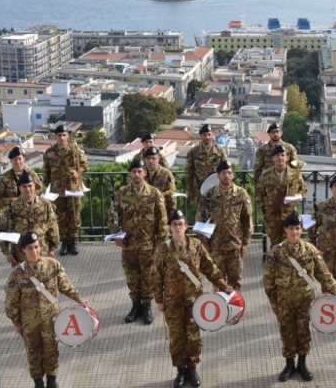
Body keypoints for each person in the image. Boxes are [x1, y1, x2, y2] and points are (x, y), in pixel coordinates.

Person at [152, 210, 233, 388]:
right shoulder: (163, 249)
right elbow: (156, 276)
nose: (178, 227)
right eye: (174, 225)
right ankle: (181, 371)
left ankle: (192, 368)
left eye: (181, 224)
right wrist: (159, 299)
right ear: (170, 227)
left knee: (193, 336)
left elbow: (209, 268)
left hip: (194, 301)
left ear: (186, 226)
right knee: (177, 337)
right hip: (173, 302)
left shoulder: (196, 245)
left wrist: (222, 285)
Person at [5, 231, 89, 388]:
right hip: (30, 323)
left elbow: (65, 286)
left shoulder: (53, 265)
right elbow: (11, 303)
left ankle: (52, 381)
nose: (34, 251)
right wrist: (17, 323)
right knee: (34, 353)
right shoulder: (17, 274)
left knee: (52, 351)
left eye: (36, 247)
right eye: (29, 248)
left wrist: (79, 299)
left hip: (52, 319)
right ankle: (38, 383)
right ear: (23, 250)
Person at [263, 211, 336, 382]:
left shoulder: (310, 250)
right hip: (284, 301)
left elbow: (324, 275)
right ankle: (289, 365)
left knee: (304, 332)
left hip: (305, 301)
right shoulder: (276, 253)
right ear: (285, 229)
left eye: (298, 229)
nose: (295, 232)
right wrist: (273, 302)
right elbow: (268, 281)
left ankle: (302, 364)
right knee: (287, 333)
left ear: (301, 230)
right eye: (291, 228)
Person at [108, 158, 168, 325]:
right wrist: (116, 236)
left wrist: (161, 244)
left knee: (148, 277)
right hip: (129, 245)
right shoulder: (121, 194)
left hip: (149, 245)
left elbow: (162, 221)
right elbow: (112, 217)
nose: (136, 174)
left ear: (145, 173)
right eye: (133, 171)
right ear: (130, 174)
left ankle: (147, 307)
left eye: (139, 171)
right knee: (132, 277)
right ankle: (135, 306)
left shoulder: (155, 194)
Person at [197, 160, 252, 291]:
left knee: (235, 282)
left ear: (233, 175)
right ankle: (220, 310)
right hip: (216, 246)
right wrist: (204, 242)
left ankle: (234, 310)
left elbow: (247, 219)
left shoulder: (241, 194)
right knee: (218, 281)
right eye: (223, 173)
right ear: (218, 175)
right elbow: (201, 219)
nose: (226, 176)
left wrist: (245, 243)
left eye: (229, 173)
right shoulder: (209, 195)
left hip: (235, 245)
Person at [43, 124, 89, 256]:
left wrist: (77, 173)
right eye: (59, 135)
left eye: (64, 135)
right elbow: (46, 171)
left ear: (67, 136)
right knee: (61, 217)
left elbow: (85, 164)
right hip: (57, 190)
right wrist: (45, 189)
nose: (62, 138)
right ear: (55, 137)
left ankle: (73, 242)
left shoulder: (74, 150)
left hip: (73, 189)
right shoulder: (50, 152)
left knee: (74, 215)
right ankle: (64, 242)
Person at [0, 171, 60, 266]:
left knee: (42, 278)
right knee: (22, 279)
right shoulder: (12, 207)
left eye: (30, 186)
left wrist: (52, 248)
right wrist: (6, 252)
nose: (28, 189)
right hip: (20, 253)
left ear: (34, 186)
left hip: (41, 250)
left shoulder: (45, 204)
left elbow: (53, 226)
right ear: (20, 188)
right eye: (24, 187)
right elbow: (2, 231)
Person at [256, 144, 308, 248]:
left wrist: (294, 198)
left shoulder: (294, 174)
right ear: (273, 158)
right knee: (275, 246)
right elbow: (259, 194)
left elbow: (304, 191)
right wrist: (265, 212)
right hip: (272, 217)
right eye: (277, 155)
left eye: (282, 155)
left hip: (289, 216)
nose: (280, 157)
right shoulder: (265, 175)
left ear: (287, 158)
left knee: (290, 245)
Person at [184, 124, 228, 201]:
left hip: (216, 189)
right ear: (200, 136)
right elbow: (188, 172)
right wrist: (190, 190)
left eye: (209, 134)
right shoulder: (193, 152)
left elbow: (226, 170)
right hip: (199, 189)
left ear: (212, 135)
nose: (207, 137)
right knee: (200, 212)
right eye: (204, 135)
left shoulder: (220, 151)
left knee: (216, 211)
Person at [0, 146, 44, 210]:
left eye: (19, 159)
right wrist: (12, 200)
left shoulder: (32, 174)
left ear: (24, 159)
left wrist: (29, 197)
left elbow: (40, 191)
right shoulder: (4, 178)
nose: (17, 162)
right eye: (15, 159)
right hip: (12, 212)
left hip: (31, 210)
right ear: (11, 161)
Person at [144, 146, 177, 215]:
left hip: (161, 212)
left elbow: (172, 195)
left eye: (153, 158)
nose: (151, 161)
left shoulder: (166, 174)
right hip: (145, 214)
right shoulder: (141, 173)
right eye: (148, 158)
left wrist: (171, 217)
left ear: (158, 159)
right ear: (145, 159)